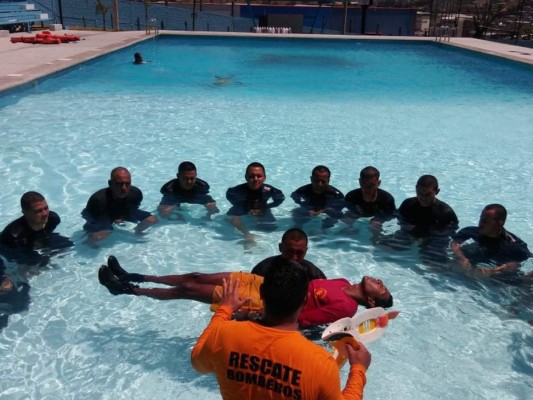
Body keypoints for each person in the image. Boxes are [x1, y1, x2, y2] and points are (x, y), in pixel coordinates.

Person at [190, 261, 372, 400]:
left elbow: (198, 362)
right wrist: (358, 368)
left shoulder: (225, 334)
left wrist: (224, 310)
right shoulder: (320, 363)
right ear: (303, 302)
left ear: (261, 293)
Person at [98, 255, 393, 328]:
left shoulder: (347, 308)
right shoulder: (340, 281)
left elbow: (302, 320)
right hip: (260, 282)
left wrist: (257, 319)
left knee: (188, 290)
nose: (379, 280)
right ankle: (133, 274)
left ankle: (128, 290)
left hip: (261, 300)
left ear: (370, 300)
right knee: (197, 275)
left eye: (381, 288)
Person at [451, 204, 531, 276]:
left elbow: (527, 263)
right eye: (481, 218)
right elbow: (454, 243)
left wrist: (508, 266)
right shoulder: (470, 231)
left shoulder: (514, 245)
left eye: (485, 221)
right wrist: (461, 257)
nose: (481, 223)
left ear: (500, 223)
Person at [81, 167, 158, 242]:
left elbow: (134, 209)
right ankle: (88, 244)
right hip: (102, 217)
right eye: (119, 184)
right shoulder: (98, 200)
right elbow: (90, 219)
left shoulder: (136, 193)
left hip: (123, 212)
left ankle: (137, 231)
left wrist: (122, 218)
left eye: (127, 183)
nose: (124, 188)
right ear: (110, 183)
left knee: (152, 220)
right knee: (99, 236)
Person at [226, 162, 285, 240]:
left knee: (270, 229)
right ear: (246, 177)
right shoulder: (236, 191)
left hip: (262, 208)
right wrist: (246, 208)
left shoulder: (269, 190)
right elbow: (230, 197)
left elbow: (280, 198)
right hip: (243, 207)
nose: (255, 179)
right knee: (229, 219)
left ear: (264, 178)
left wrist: (266, 207)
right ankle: (247, 235)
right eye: (251, 176)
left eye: (259, 176)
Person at [251, 228, 326, 280]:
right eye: (289, 251)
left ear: (305, 251)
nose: (294, 258)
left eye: (299, 253)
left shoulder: (314, 275)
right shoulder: (262, 270)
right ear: (280, 248)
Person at [0, 191, 67, 250]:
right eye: (38, 211)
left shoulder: (53, 219)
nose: (45, 214)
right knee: (36, 262)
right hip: (8, 248)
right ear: (25, 213)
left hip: (40, 238)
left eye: (46, 208)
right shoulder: (14, 235)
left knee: (67, 244)